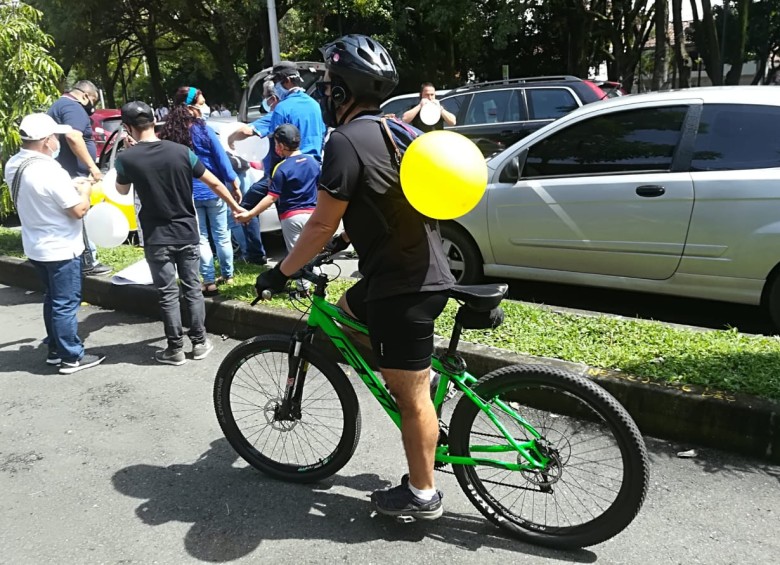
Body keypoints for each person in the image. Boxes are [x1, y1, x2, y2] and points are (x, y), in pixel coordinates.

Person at [254, 34, 455, 520]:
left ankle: (422, 494)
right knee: (344, 313)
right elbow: (381, 201)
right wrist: (348, 241)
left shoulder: (345, 140)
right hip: (416, 270)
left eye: (327, 83)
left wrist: (283, 271)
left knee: (410, 395)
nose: (323, 92)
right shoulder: (396, 132)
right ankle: (409, 383)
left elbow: (319, 221)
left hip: (402, 287)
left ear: (343, 91)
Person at [114, 101, 245, 365]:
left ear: (127, 128)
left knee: (167, 294)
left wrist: (129, 154)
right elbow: (214, 181)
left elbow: (121, 191)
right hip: (186, 232)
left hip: (155, 237)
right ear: (154, 120)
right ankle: (199, 343)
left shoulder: (126, 158)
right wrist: (235, 206)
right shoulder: (182, 151)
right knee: (193, 289)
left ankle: (174, 349)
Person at [3, 113, 106, 374]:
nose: (58, 141)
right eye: (56, 137)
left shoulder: (14, 164)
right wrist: (84, 190)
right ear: (47, 140)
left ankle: (54, 349)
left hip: (36, 244)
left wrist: (70, 185)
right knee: (65, 304)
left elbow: (42, 195)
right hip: (60, 246)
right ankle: (71, 356)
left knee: (52, 299)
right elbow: (78, 210)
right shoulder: (49, 170)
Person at [229, 62, 326, 242]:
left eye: (278, 82)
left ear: (287, 81)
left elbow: (277, 144)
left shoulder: (282, 108)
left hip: (288, 170)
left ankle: (255, 254)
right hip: (313, 169)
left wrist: (274, 175)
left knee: (249, 205)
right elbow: (322, 136)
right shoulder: (314, 105)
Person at [160, 87, 242, 295]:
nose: (205, 107)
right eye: (202, 103)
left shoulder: (170, 134)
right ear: (190, 108)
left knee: (202, 238)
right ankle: (229, 275)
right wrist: (233, 183)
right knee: (222, 234)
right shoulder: (204, 130)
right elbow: (222, 160)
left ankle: (209, 280)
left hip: (188, 194)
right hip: (214, 191)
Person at [235, 124, 319, 291]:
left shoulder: (281, 168)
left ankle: (304, 290)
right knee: (313, 252)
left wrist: (250, 214)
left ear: (280, 146)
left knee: (297, 255)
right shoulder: (313, 162)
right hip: (313, 215)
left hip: (291, 218)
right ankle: (319, 286)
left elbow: (271, 197)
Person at [47, 79, 111, 276]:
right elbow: (74, 137)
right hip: (74, 174)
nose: (93, 105)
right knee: (80, 215)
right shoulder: (74, 108)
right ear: (84, 96)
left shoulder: (59, 105)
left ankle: (80, 259)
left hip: (65, 170)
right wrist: (93, 168)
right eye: (93, 100)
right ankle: (87, 260)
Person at [225, 80, 279, 265]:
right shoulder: (306, 109)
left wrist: (232, 138)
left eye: (264, 96)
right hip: (302, 171)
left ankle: (256, 255)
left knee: (246, 206)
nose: (264, 100)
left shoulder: (276, 115)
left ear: (272, 98)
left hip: (274, 175)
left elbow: (247, 130)